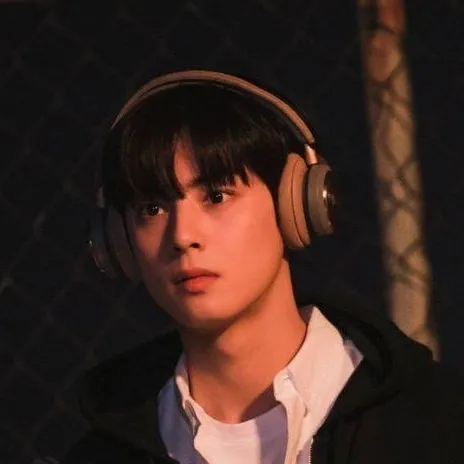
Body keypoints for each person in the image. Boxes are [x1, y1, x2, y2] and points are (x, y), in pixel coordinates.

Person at [63, 70, 464, 464]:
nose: (183, 236)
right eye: (152, 209)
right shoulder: (103, 455)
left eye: (217, 196)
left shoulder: (434, 424)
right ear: (120, 241)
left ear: (297, 204)